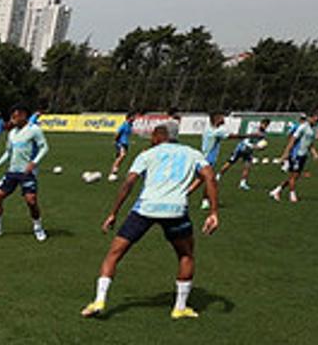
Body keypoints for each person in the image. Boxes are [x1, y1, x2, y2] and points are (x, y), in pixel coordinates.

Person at [80, 121, 219, 320]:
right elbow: (209, 177)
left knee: (114, 254)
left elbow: (129, 182)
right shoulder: (193, 153)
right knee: (186, 255)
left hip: (145, 209)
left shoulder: (147, 155)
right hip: (175, 210)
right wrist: (213, 212)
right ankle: (179, 308)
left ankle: (99, 300)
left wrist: (113, 213)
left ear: (158, 136)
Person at [0, 105, 50, 241]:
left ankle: (38, 228)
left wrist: (34, 163)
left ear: (24, 115)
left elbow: (45, 147)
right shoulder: (12, 133)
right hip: (12, 172)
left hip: (26, 173)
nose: (12, 119)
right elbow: (8, 153)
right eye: (12, 116)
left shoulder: (34, 130)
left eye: (15, 116)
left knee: (31, 201)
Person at [270, 114, 318, 202]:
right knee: (293, 175)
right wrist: (286, 153)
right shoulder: (302, 127)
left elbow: (309, 143)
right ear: (310, 118)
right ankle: (292, 195)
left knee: (295, 176)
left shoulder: (312, 130)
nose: (316, 122)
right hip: (296, 154)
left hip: (303, 155)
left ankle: (277, 190)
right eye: (315, 120)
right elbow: (293, 139)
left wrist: (314, 153)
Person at [216, 120, 266, 190]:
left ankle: (242, 183)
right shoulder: (254, 129)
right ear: (261, 123)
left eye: (266, 125)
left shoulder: (263, 134)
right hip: (241, 147)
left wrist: (260, 147)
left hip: (249, 150)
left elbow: (261, 143)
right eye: (263, 124)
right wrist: (253, 146)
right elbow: (247, 139)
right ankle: (218, 175)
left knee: (247, 166)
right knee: (231, 162)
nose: (264, 126)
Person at [197, 112, 230, 208]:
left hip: (205, 157)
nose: (223, 119)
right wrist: (251, 136)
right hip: (208, 158)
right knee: (209, 180)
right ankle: (205, 201)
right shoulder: (215, 131)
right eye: (221, 117)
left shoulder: (210, 129)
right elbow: (231, 136)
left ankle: (206, 200)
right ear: (216, 119)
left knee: (202, 180)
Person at [110, 111, 138, 175]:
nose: (134, 118)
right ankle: (114, 170)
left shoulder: (130, 125)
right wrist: (116, 141)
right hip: (121, 143)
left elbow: (126, 135)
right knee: (122, 155)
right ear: (129, 117)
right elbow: (118, 133)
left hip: (125, 143)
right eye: (133, 117)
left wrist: (129, 141)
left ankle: (113, 172)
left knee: (120, 157)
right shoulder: (124, 125)